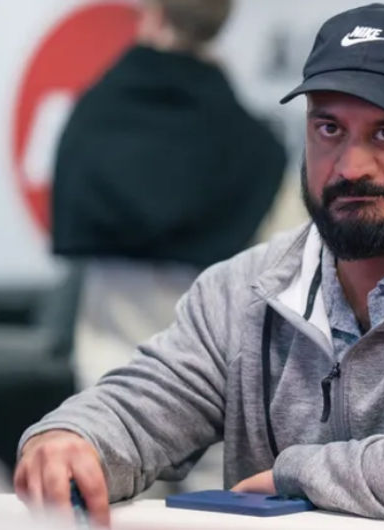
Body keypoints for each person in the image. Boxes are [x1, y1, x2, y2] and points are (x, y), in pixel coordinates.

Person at [16, 4, 384, 529]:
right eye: (329, 128)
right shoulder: (245, 287)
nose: (350, 166)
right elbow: (139, 406)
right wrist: (73, 438)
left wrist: (295, 473)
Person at [51, 0, 287, 388]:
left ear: (154, 17)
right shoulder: (251, 140)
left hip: (107, 366)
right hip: (205, 370)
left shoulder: (96, 116)